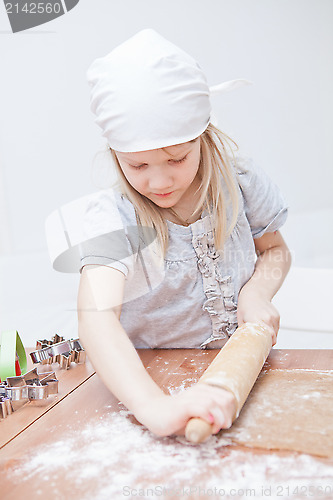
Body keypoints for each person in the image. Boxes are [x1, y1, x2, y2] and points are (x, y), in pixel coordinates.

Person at [50, 29, 292, 438]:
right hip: (144, 379)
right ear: (115, 155)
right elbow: (97, 317)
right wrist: (152, 406)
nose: (158, 181)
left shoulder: (243, 185)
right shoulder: (111, 217)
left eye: (176, 158)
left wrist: (256, 292)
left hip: (233, 374)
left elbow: (275, 252)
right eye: (137, 166)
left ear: (203, 136)